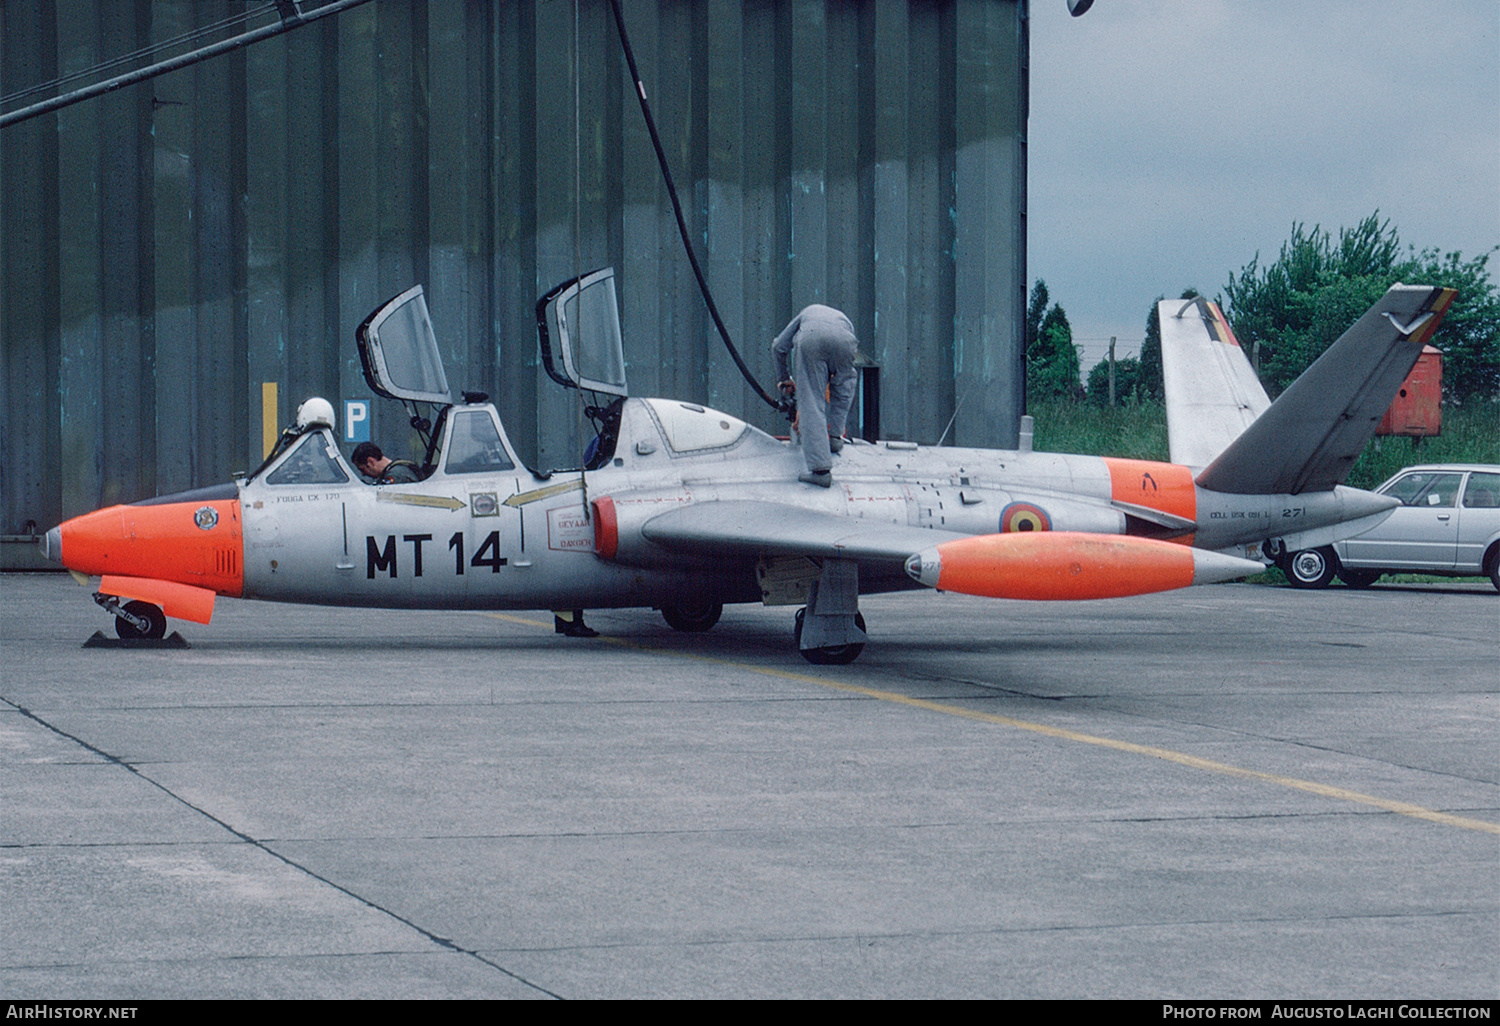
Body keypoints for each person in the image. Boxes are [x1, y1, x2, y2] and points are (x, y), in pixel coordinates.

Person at [771, 304, 859, 487]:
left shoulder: (805, 314)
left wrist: (784, 378)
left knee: (811, 401)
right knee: (844, 388)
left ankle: (820, 470)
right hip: (846, 339)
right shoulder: (838, 315)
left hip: (812, 338)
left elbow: (778, 347)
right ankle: (835, 438)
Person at [351, 442, 421, 484]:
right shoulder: (397, 471)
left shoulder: (396, 475)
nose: (363, 474)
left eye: (363, 469)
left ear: (371, 461)